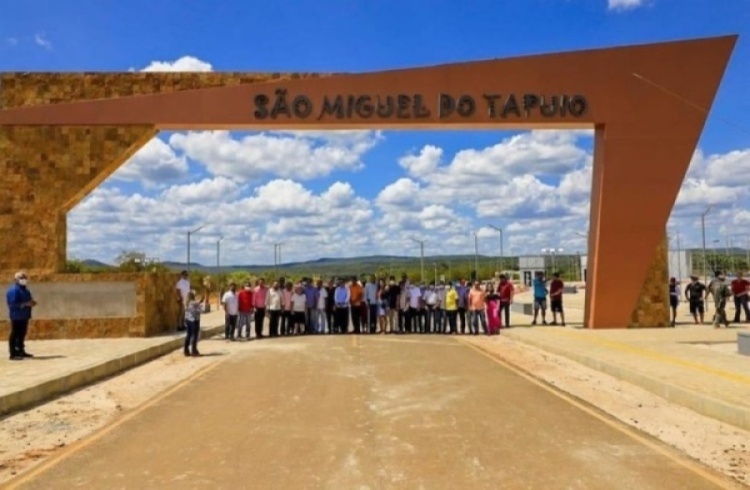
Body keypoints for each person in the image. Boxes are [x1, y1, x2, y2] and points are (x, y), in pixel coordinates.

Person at [6, 271, 37, 360]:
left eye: (25, 278)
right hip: (16, 316)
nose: (24, 279)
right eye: (21, 278)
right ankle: (13, 353)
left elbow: (28, 300)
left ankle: (20, 350)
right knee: (15, 333)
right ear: (16, 280)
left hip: (24, 316)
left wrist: (31, 303)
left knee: (22, 333)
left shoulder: (25, 290)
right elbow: (13, 304)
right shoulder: (14, 290)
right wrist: (26, 304)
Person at [184, 290, 202, 357]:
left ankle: (186, 350)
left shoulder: (186, 303)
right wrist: (200, 303)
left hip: (188, 320)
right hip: (194, 320)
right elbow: (200, 310)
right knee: (194, 335)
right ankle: (194, 351)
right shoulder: (194, 303)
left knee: (188, 335)